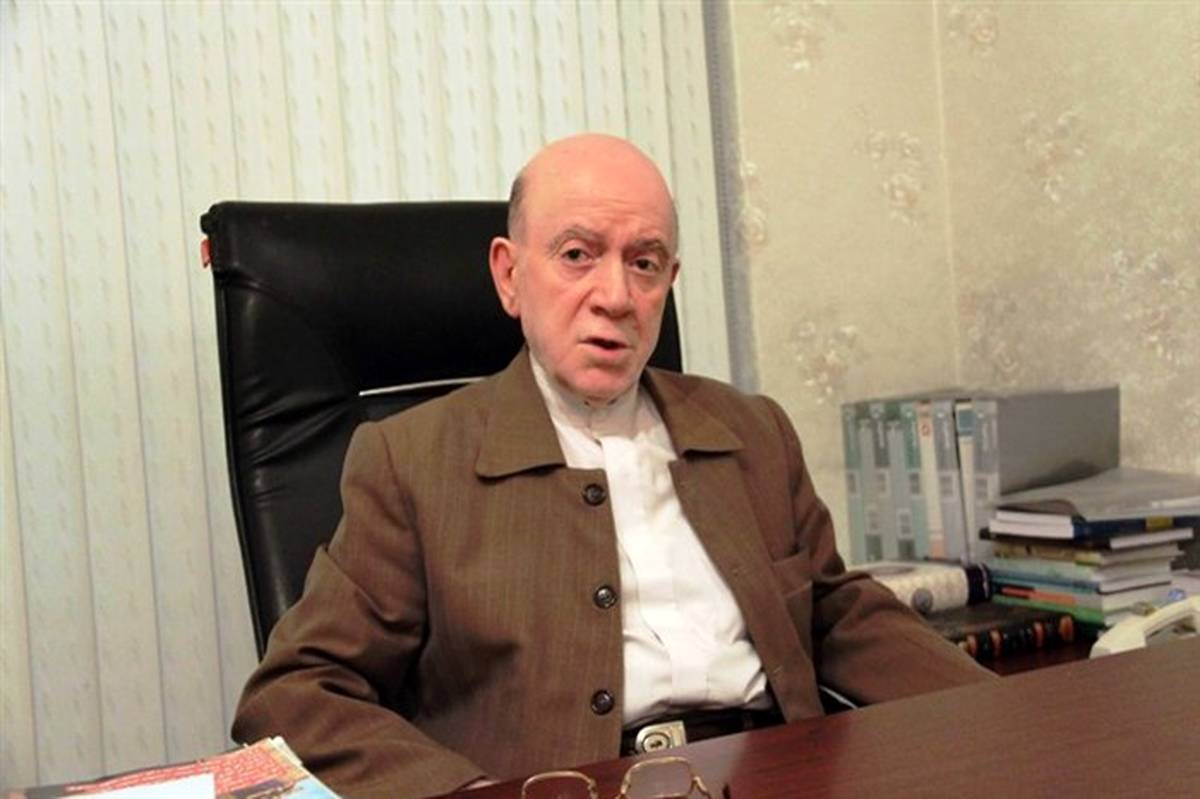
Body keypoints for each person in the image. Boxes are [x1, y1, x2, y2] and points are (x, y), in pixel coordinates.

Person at [232, 134, 994, 798]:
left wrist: (1009, 714)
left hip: (778, 770)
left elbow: (836, 614)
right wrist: (468, 795)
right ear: (509, 274)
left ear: (669, 282)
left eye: (645, 263)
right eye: (577, 255)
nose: (616, 296)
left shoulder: (751, 430)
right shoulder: (412, 460)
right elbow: (299, 693)